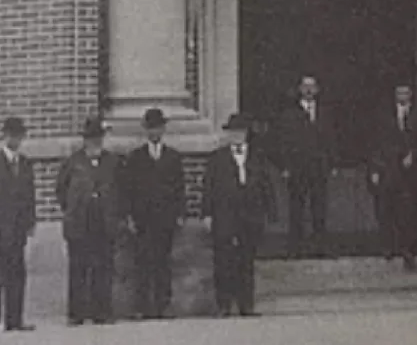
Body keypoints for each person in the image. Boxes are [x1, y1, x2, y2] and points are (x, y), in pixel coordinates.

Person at [202, 114, 277, 318]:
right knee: (223, 260)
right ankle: (224, 304)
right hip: (225, 214)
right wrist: (207, 213)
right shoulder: (217, 158)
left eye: (240, 132)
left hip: (250, 215)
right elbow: (208, 186)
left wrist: (270, 212)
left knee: (246, 261)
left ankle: (246, 304)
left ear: (246, 134)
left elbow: (266, 185)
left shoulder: (257, 156)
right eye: (233, 132)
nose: (237, 136)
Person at [56, 117, 123, 326]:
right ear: (85, 140)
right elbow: (61, 191)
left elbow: (121, 190)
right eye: (91, 138)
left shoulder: (112, 161)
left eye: (99, 138)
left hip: (104, 222)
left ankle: (101, 311)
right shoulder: (72, 162)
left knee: (103, 267)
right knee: (79, 268)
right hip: (79, 223)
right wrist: (74, 209)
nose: (95, 143)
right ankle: (76, 313)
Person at [124, 108, 186, 320]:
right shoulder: (135, 157)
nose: (155, 132)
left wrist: (180, 213)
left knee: (163, 262)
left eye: (158, 127)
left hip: (165, 218)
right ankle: (143, 306)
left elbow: (179, 187)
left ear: (163, 129)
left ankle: (163, 305)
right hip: (143, 218)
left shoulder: (173, 157)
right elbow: (129, 189)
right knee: (143, 262)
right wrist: (130, 216)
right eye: (151, 128)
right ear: (145, 130)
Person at [276, 76, 337, 258]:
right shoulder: (289, 115)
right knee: (297, 209)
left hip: (319, 167)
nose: (309, 90)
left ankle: (320, 247)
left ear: (317, 90)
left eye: (312, 87)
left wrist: (332, 163)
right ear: (300, 90)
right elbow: (283, 143)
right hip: (298, 168)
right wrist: (285, 166)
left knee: (319, 208)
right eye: (305, 87)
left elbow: (331, 140)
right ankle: (295, 248)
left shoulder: (325, 113)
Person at [368, 83, 417, 269]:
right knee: (385, 210)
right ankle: (388, 247)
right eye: (398, 92)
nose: (402, 96)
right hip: (388, 169)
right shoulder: (384, 116)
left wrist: (414, 154)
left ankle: (407, 249)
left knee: (407, 212)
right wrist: (375, 169)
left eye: (405, 93)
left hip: (409, 172)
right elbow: (375, 143)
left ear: (411, 95)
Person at [0, 117, 36, 333]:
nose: (16, 139)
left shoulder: (25, 163)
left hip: (17, 229)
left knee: (17, 274)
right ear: (4, 136)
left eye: (19, 135)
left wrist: (30, 220)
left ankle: (15, 320)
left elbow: (29, 194)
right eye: (12, 135)